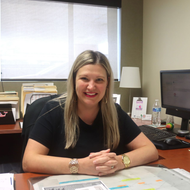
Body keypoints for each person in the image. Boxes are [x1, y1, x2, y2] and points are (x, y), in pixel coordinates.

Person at [22, 50, 158, 176]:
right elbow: (29, 161)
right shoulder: (53, 110)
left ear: (107, 83)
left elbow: (150, 150)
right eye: (85, 79)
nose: (91, 86)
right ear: (74, 80)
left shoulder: (115, 112)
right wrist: (80, 166)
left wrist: (118, 162)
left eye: (99, 80)